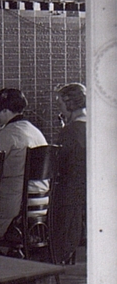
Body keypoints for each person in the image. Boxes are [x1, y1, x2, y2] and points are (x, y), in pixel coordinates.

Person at [0, 88, 48, 246]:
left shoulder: (5, 135)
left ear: (6, 111)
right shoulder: (36, 133)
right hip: (37, 207)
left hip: (11, 209)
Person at [49, 83, 86, 264]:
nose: (60, 109)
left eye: (60, 104)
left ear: (69, 104)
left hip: (72, 190)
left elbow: (59, 164)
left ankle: (57, 254)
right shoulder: (92, 125)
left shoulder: (70, 131)